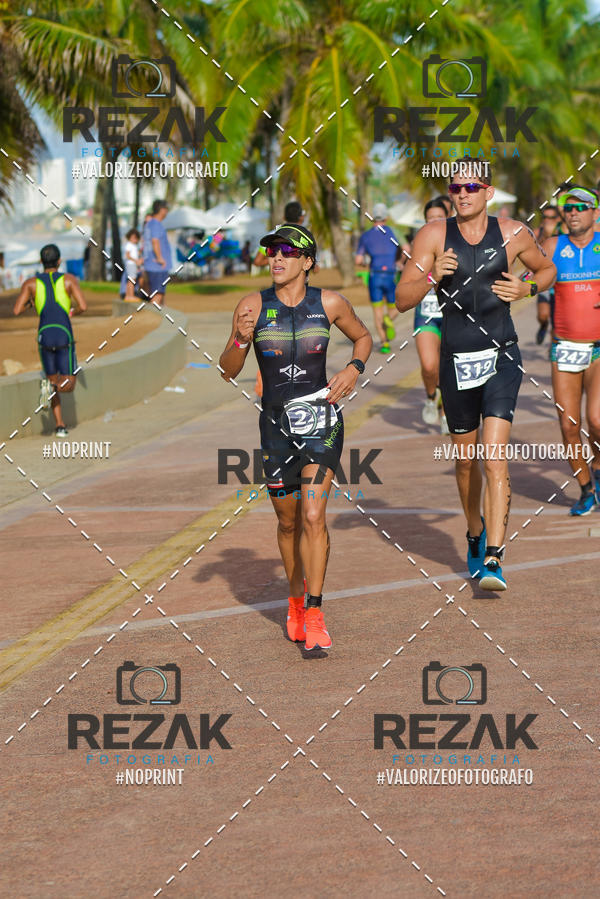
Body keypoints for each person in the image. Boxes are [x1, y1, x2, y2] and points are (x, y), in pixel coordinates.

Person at [396, 162, 556, 591]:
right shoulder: (432, 236)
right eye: (455, 187)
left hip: (502, 354)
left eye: (471, 186)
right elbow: (400, 298)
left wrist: (527, 289)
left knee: (492, 457)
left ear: (488, 192)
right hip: (456, 359)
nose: (462, 193)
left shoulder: (512, 232)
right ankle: (474, 530)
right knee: (466, 463)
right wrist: (433, 275)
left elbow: (547, 270)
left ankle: (494, 557)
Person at [219, 224, 372, 650]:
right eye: (272, 251)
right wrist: (239, 338)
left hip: (322, 420)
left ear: (307, 261)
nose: (277, 258)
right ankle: (294, 599)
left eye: (287, 251)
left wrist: (352, 370)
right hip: (274, 426)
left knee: (312, 515)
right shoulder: (251, 306)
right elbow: (227, 369)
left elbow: (363, 338)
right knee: (287, 522)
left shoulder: (330, 303)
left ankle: (316, 610)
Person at [542, 186, 600, 515]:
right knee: (569, 425)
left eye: (581, 206)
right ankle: (586, 488)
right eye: (568, 207)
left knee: (597, 420)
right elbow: (529, 276)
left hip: (599, 348)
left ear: (595, 212)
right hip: (564, 347)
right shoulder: (552, 246)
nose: (573, 212)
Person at [13, 243, 87, 437]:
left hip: (44, 335)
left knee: (51, 379)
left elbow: (17, 310)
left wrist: (31, 302)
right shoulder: (69, 280)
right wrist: (72, 311)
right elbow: (83, 306)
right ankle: (52, 389)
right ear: (60, 261)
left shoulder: (30, 284)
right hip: (64, 335)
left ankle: (60, 425)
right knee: (68, 385)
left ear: (41, 262)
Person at [409, 197, 450, 432]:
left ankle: (446, 413)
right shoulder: (420, 246)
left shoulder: (458, 242)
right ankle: (431, 396)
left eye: (439, 218)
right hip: (426, 311)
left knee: (448, 366)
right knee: (429, 365)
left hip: (452, 314)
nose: (434, 222)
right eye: (429, 219)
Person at [355, 203, 400, 354]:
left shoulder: (366, 236)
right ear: (386, 217)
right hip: (390, 276)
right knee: (396, 308)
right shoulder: (393, 232)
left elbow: (358, 260)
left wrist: (364, 262)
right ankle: (389, 319)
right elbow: (405, 250)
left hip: (374, 276)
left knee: (377, 311)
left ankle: (384, 343)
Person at [534, 205, 561, 344]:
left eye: (552, 217)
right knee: (543, 315)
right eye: (545, 217)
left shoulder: (563, 230)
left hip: (559, 281)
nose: (548, 220)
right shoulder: (537, 233)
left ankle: (554, 351)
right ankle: (543, 325)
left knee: (556, 323)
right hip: (544, 279)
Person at [253, 201, 306, 269]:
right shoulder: (305, 237)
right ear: (301, 218)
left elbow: (257, 261)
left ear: (284, 217)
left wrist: (276, 259)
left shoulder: (272, 234)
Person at [142, 200, 172, 305]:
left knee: (156, 295)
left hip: (150, 265)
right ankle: (151, 320)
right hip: (157, 267)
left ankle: (155, 319)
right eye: (166, 209)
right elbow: (155, 241)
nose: (167, 212)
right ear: (162, 210)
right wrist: (160, 258)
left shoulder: (149, 224)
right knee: (157, 295)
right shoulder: (156, 224)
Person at [121, 228, 140, 300]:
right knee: (132, 280)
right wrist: (136, 261)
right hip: (131, 264)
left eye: (135, 238)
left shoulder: (133, 245)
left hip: (132, 264)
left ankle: (128, 295)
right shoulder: (129, 245)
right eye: (132, 238)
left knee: (131, 280)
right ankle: (130, 295)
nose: (134, 239)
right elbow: (128, 255)